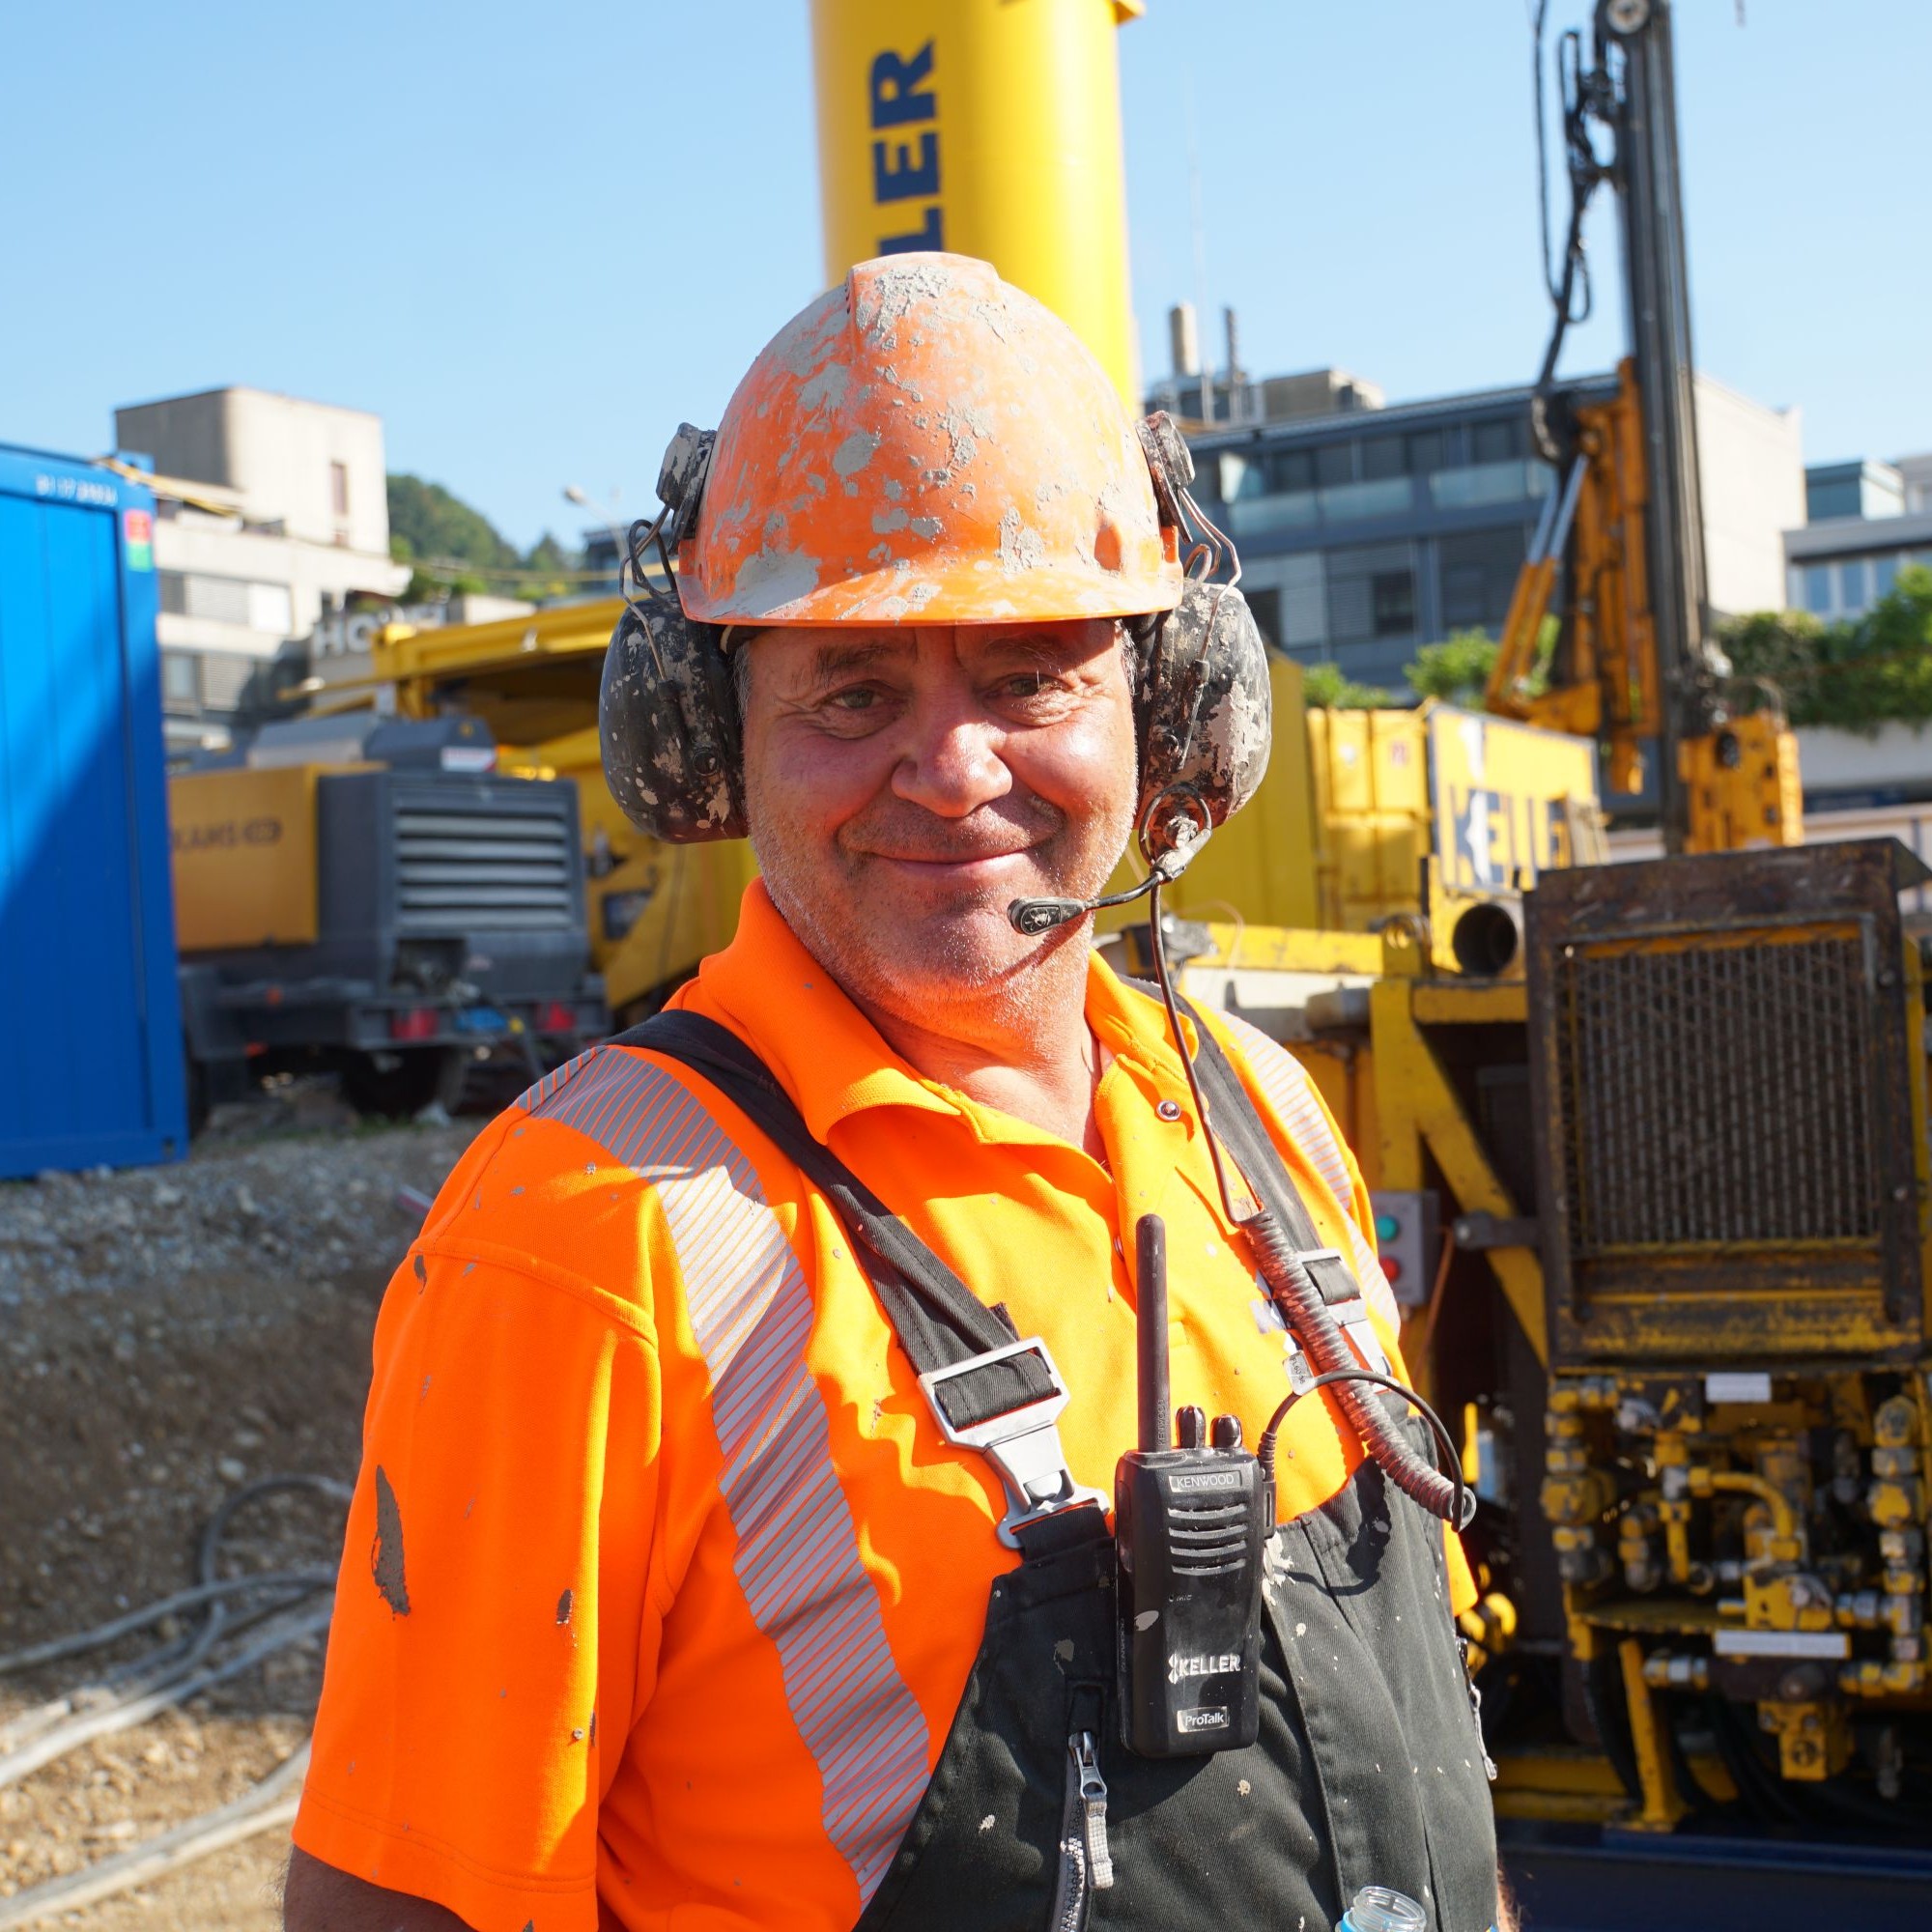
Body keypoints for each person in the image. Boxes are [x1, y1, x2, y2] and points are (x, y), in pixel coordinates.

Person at [284, 253, 1500, 1932]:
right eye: (854, 694)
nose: (954, 771)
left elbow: (1418, 1767)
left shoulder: (1267, 1119)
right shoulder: (589, 1242)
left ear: (1169, 710)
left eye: (1031, 676)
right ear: (712, 749)